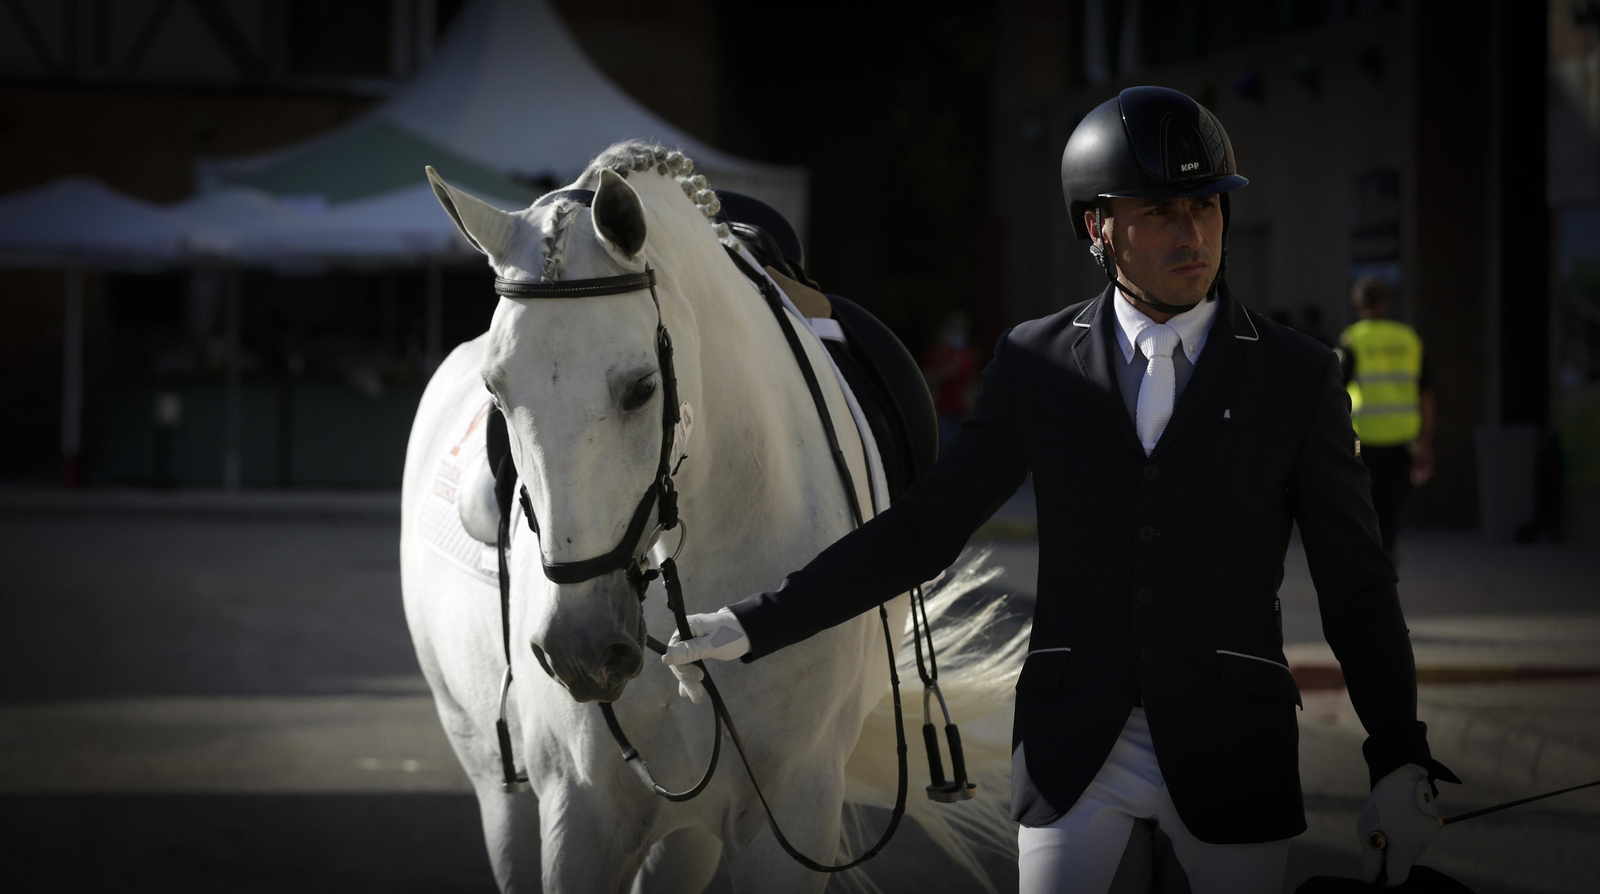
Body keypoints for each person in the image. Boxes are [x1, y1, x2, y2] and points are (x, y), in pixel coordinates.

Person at [664, 86, 1456, 893]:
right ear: (1097, 227)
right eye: (1159, 212)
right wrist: (755, 622)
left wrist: (1398, 755)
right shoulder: (1035, 363)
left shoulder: (1300, 375)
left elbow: (1356, 582)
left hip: (1233, 746)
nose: (1194, 235)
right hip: (1077, 750)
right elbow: (924, 530)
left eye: (1207, 207)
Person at [1338, 277, 1435, 559]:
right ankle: (1387, 572)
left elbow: (1331, 393)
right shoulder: (1409, 339)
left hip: (1362, 443)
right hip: (1402, 444)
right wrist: (1426, 444)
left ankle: (1368, 575)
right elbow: (1426, 396)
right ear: (1386, 304)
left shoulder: (1352, 340)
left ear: (1358, 305)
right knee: (1389, 516)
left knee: (1362, 515)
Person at [921, 309, 979, 448]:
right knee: (945, 449)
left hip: (963, 413)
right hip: (942, 413)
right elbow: (926, 378)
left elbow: (973, 383)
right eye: (957, 327)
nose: (960, 332)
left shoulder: (968, 355)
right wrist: (947, 372)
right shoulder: (938, 351)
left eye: (964, 329)